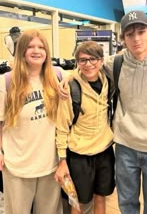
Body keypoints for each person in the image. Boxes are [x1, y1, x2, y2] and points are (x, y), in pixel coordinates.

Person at [102, 10, 147, 214]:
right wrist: (67, 78)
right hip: (125, 146)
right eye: (130, 34)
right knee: (127, 203)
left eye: (141, 32)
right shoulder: (115, 63)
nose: (136, 39)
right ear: (122, 38)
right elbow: (86, 68)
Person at [0, 29, 63, 214]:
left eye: (41, 46)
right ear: (21, 51)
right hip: (17, 165)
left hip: (50, 165)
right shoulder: (6, 81)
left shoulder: (57, 76)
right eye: (30, 46)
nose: (37, 51)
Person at [55, 41, 115, 214]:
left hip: (104, 150)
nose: (88, 64)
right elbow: (62, 126)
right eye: (82, 60)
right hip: (79, 155)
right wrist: (62, 160)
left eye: (93, 59)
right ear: (77, 63)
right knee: (77, 202)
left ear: (101, 61)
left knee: (101, 196)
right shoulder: (70, 88)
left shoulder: (108, 80)